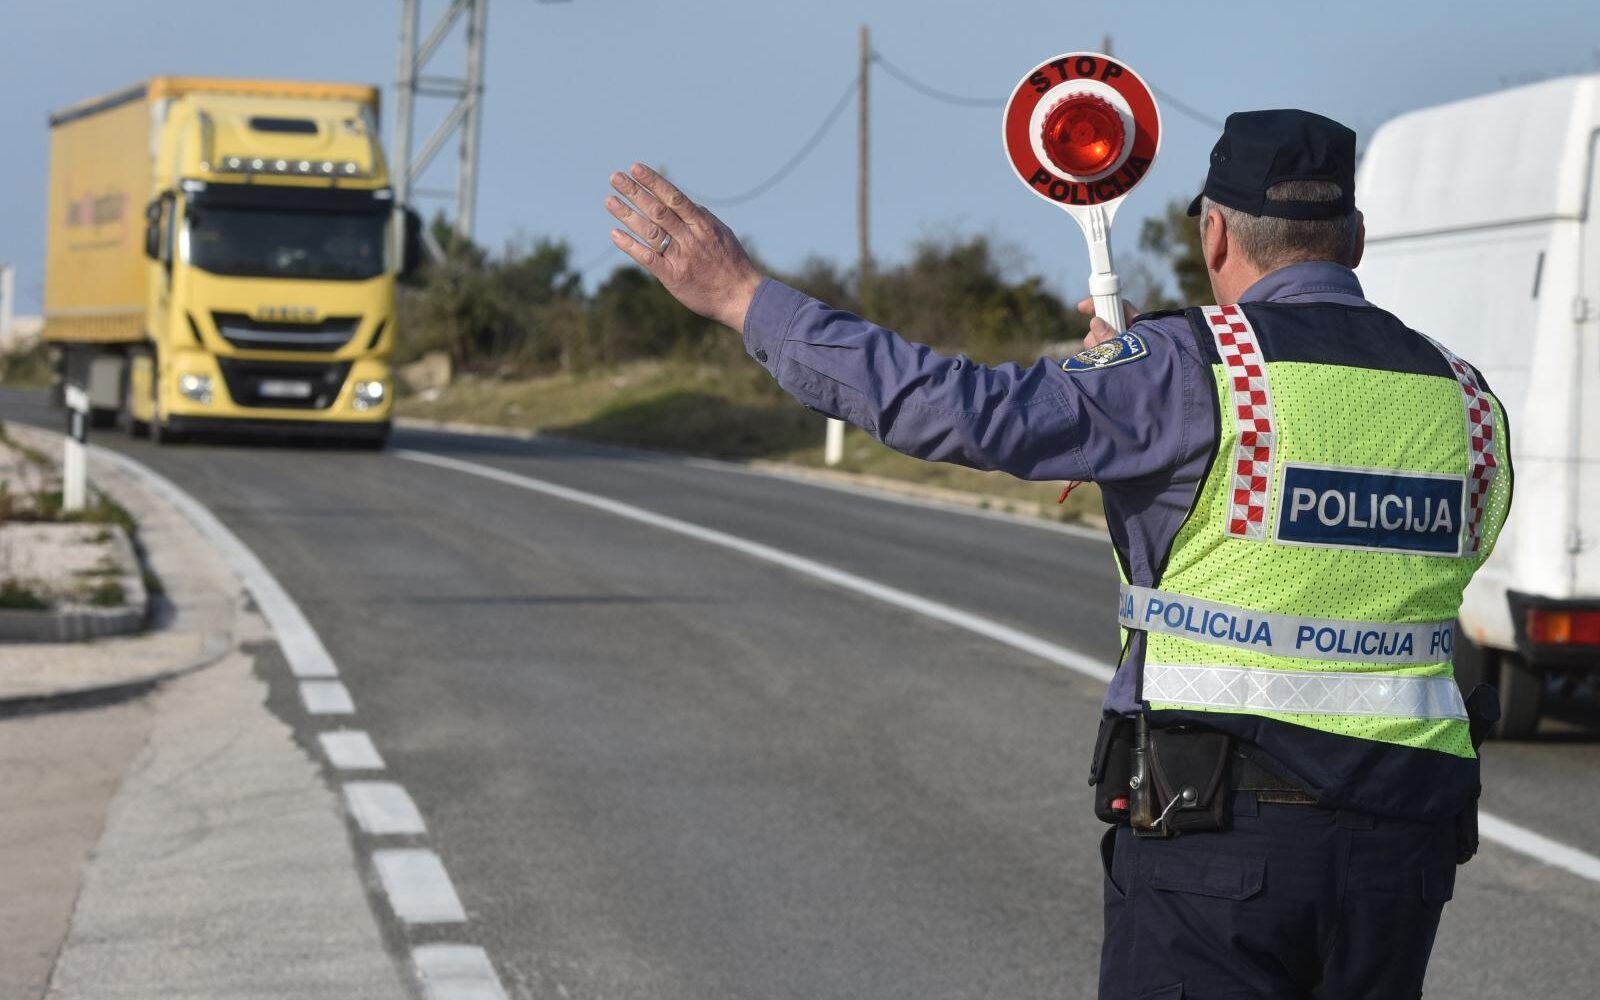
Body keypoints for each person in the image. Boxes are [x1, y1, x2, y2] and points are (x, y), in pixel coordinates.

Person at [603, 108, 1511, 999]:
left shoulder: (1190, 366)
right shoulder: (1467, 399)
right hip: (1405, 853)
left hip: (1221, 839)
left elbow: (960, 407)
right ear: (1355, 238)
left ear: (1216, 233)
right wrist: (1140, 415)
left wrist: (744, 299)